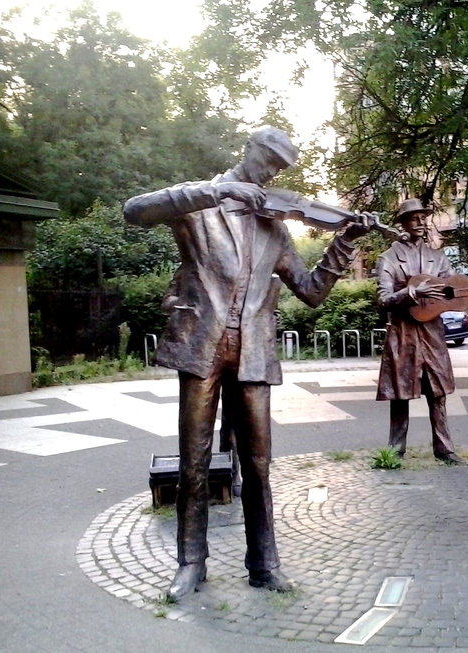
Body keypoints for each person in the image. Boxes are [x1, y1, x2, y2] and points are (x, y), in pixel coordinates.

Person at [124, 126, 371, 601]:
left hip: (253, 354)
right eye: (270, 161)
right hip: (202, 348)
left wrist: (345, 241)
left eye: (281, 168)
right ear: (251, 151)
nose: (274, 173)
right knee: (194, 463)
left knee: (258, 465)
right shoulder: (199, 207)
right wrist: (216, 190)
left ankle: (264, 563)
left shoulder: (274, 230)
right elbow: (135, 210)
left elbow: (312, 291)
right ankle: (191, 563)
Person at [375, 198, 464, 465]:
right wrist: (413, 292)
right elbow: (383, 299)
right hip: (403, 333)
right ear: (402, 222)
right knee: (401, 393)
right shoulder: (389, 258)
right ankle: (395, 450)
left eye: (423, 217)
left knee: (437, 391)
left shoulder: (438, 257)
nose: (420, 222)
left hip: (432, 332)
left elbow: (454, 290)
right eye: (414, 218)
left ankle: (444, 448)